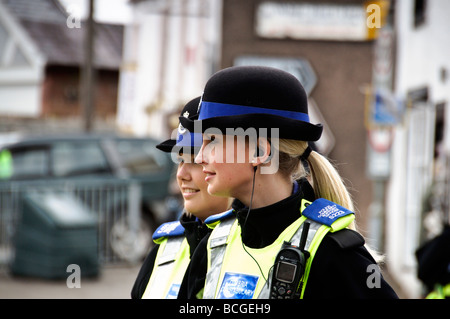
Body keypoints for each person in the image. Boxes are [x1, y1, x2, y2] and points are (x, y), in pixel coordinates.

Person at [177, 65, 398, 299]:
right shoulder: (213, 243)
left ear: (259, 150)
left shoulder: (334, 252)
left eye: (211, 141)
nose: (200, 157)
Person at [131, 97, 232, 299]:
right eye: (180, 160)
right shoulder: (165, 247)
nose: (181, 174)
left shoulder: (253, 248)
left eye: (196, 160)